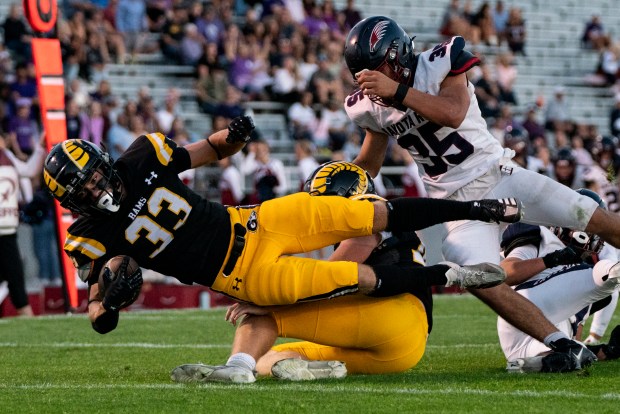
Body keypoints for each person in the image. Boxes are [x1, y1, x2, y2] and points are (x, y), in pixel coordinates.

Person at [42, 116, 518, 335]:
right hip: (241, 276)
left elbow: (208, 149)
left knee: (366, 212)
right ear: (70, 201)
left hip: (253, 222)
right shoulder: (88, 237)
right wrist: (109, 306)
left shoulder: (142, 155)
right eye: (81, 190)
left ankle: (480, 210)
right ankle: (450, 277)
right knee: (351, 277)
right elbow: (97, 312)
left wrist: (234, 137)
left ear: (105, 162)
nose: (94, 189)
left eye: (95, 177)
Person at [343, 16, 620, 371]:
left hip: (500, 177)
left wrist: (397, 92)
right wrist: (341, 182)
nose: (368, 82)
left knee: (591, 216)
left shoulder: (441, 62)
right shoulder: (369, 107)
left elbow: (453, 113)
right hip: (455, 206)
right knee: (478, 275)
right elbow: (370, 161)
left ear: (396, 55)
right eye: (361, 74)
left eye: (375, 69)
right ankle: (562, 344)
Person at [171, 161, 498, 383]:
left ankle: (236, 370)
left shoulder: (367, 215)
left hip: (393, 313)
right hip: (402, 347)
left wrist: (272, 300)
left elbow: (330, 277)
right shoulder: (383, 212)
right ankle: (313, 371)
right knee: (272, 356)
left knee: (264, 315)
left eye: (321, 201)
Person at [499, 190, 620, 372]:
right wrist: (552, 259)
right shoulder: (544, 238)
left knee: (576, 354)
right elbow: (505, 274)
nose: (593, 232)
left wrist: (608, 351)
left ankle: (537, 364)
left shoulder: (581, 275)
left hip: (524, 344)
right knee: (604, 276)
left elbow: (574, 335)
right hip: (522, 309)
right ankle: (615, 270)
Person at [0, 133, 46, 317]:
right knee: (14, 278)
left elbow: (29, 170)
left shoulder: (7, 157)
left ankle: (26, 314)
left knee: (15, 278)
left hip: (8, 231)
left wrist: (40, 149)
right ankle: (26, 313)